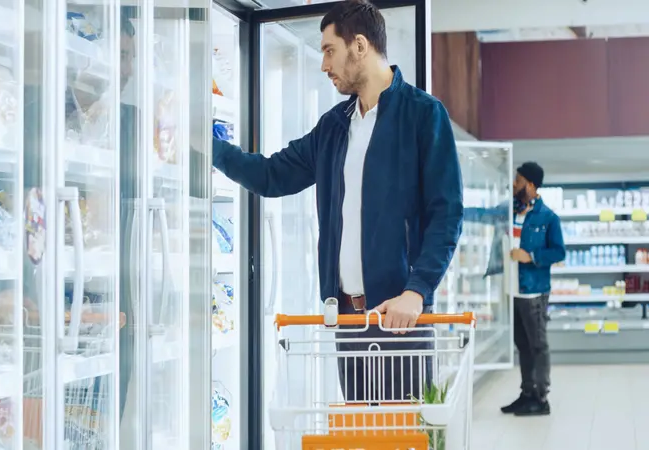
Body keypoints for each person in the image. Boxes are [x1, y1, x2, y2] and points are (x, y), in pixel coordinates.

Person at [212, 0, 463, 402]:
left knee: (400, 438)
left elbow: (446, 215)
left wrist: (416, 292)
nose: (324, 64)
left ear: (360, 46)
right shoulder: (334, 127)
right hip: (347, 316)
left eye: (329, 50)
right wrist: (208, 147)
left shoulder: (423, 115)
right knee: (359, 432)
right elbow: (272, 175)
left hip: (400, 316)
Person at [499, 161, 565, 416]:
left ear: (531, 185)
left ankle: (541, 398)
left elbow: (559, 251)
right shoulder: (511, 213)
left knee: (538, 345)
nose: (514, 185)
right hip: (513, 290)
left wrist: (531, 256)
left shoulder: (548, 217)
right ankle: (527, 393)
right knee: (522, 345)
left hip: (533, 292)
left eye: (518, 181)